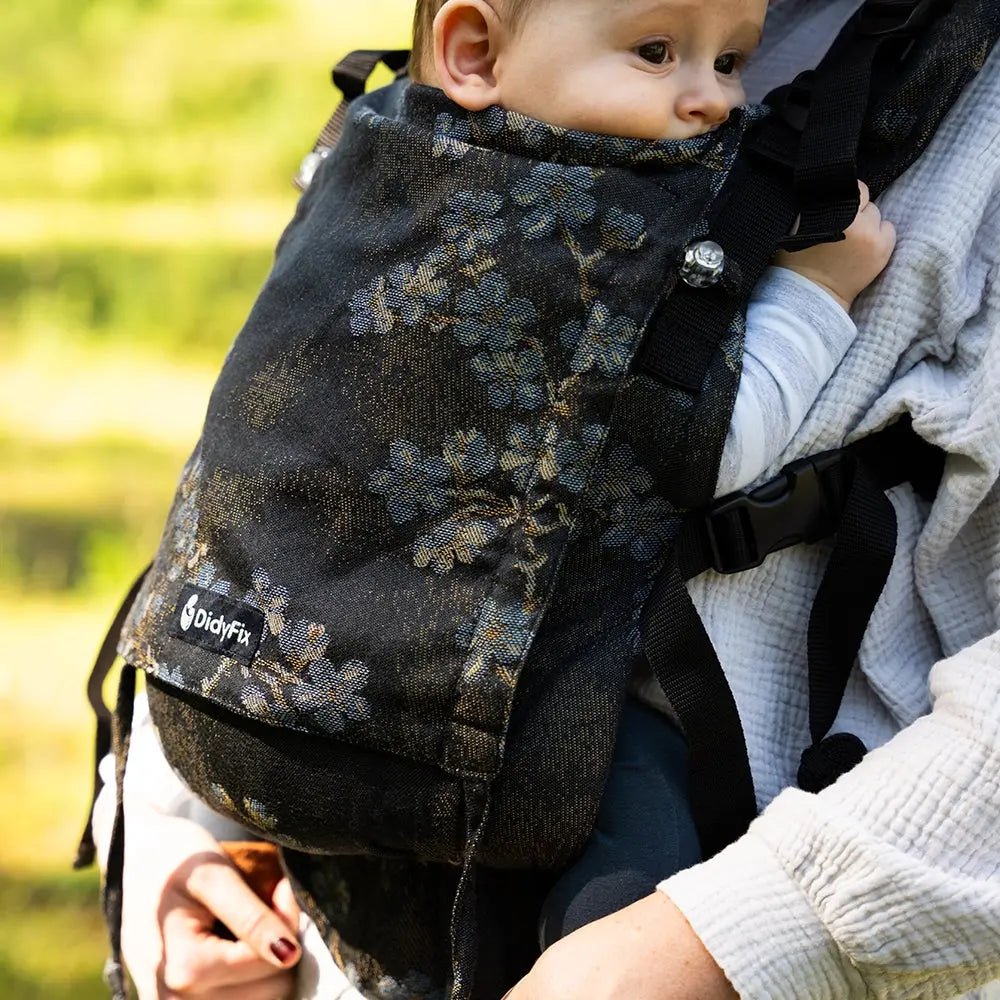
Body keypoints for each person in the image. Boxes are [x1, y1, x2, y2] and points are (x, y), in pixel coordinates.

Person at [92, 1, 1000, 1000]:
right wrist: (174, 832)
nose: (713, 98)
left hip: (657, 903)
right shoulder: (476, 81)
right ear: (470, 50)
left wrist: (711, 947)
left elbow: (672, 447)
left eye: (732, 62)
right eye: (659, 55)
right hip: (306, 921)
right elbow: (281, 471)